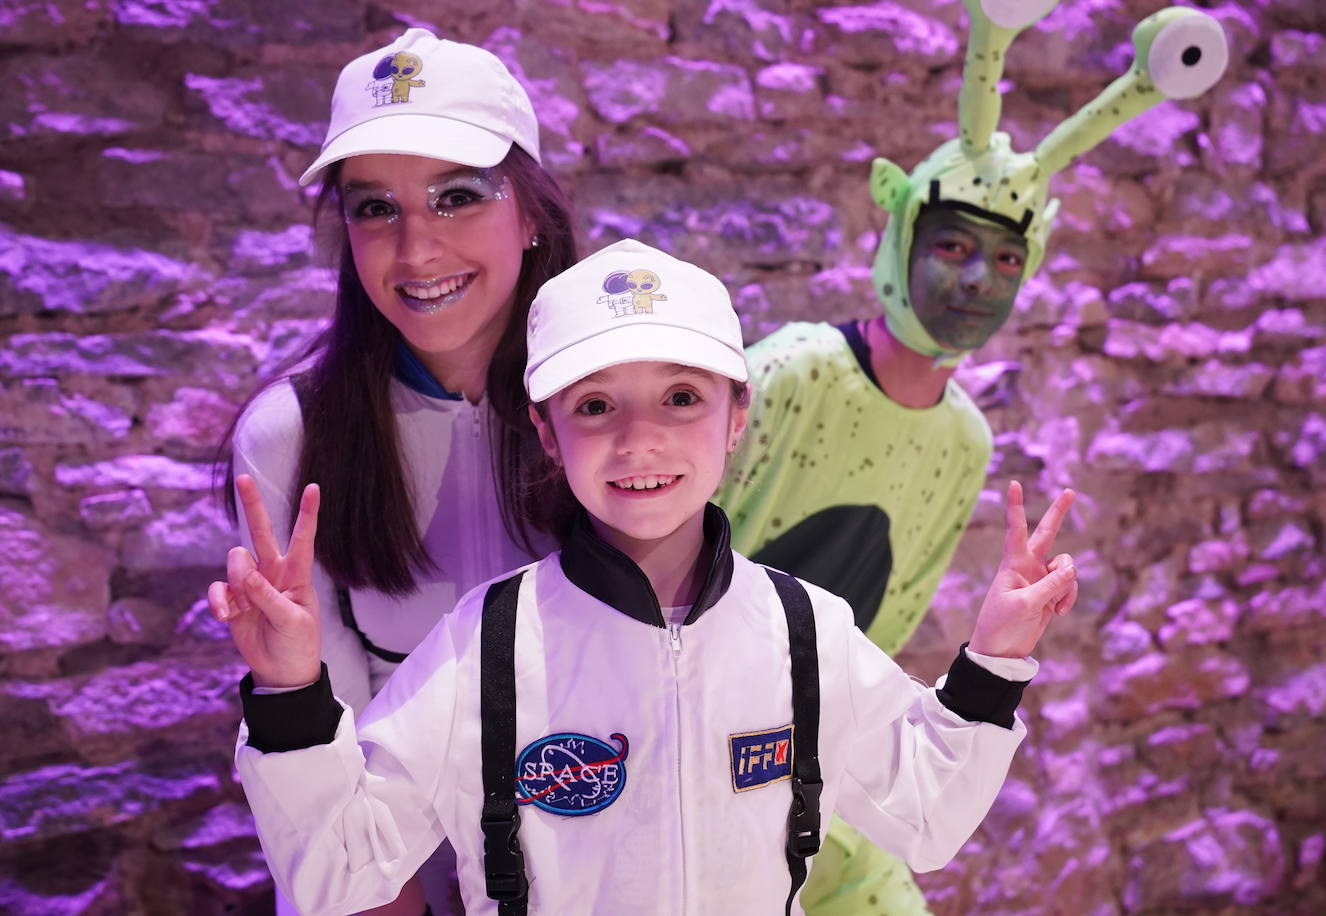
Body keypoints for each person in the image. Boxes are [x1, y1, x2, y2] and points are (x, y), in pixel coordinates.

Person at [210, 238, 1079, 915]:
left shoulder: (803, 628)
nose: (639, 440)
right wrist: (289, 688)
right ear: (547, 434)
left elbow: (924, 814)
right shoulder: (491, 641)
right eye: (594, 405)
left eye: (681, 397)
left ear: (738, 416)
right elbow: (340, 869)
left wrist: (995, 659)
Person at [714, 3, 1230, 913]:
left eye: (1004, 259)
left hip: (813, 764)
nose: (975, 281)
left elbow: (885, 619)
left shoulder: (966, 439)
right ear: (901, 233)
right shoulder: (793, 372)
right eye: (951, 245)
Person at [219, 28, 578, 916]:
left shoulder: (617, 407)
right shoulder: (290, 438)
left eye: (457, 196)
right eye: (375, 207)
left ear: (530, 210)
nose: (415, 249)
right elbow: (325, 757)